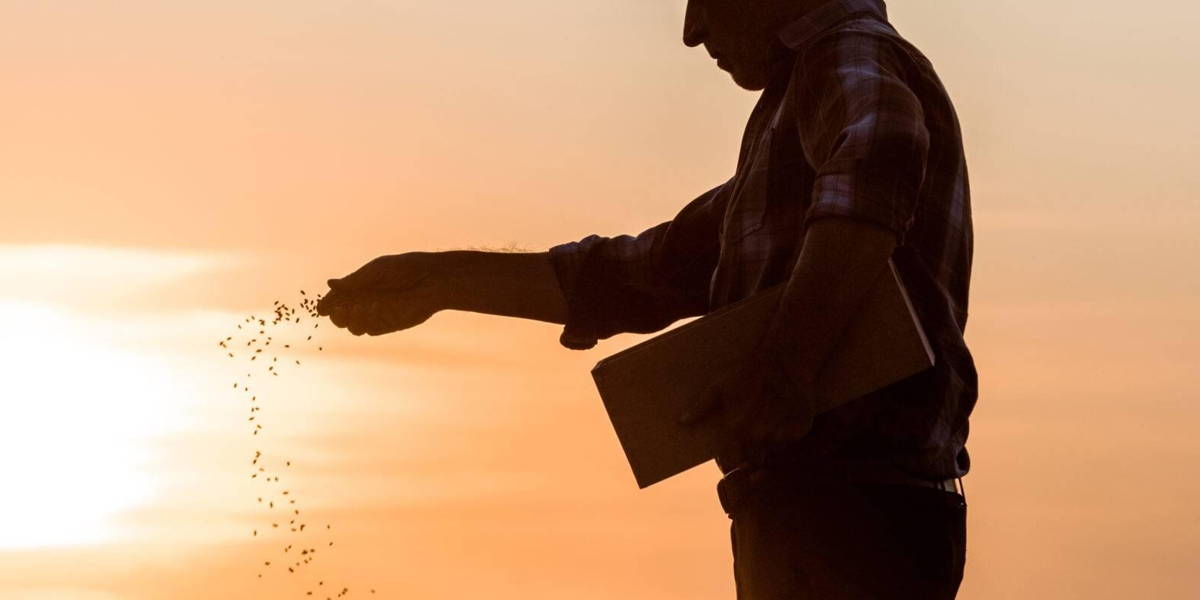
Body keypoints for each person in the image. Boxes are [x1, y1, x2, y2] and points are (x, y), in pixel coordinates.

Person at [317, 0, 976, 597]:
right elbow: (637, 274)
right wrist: (437, 281)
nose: (694, 32)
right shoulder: (786, 132)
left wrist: (787, 367)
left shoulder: (845, 52)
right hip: (811, 508)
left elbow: (882, 149)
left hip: (855, 509)